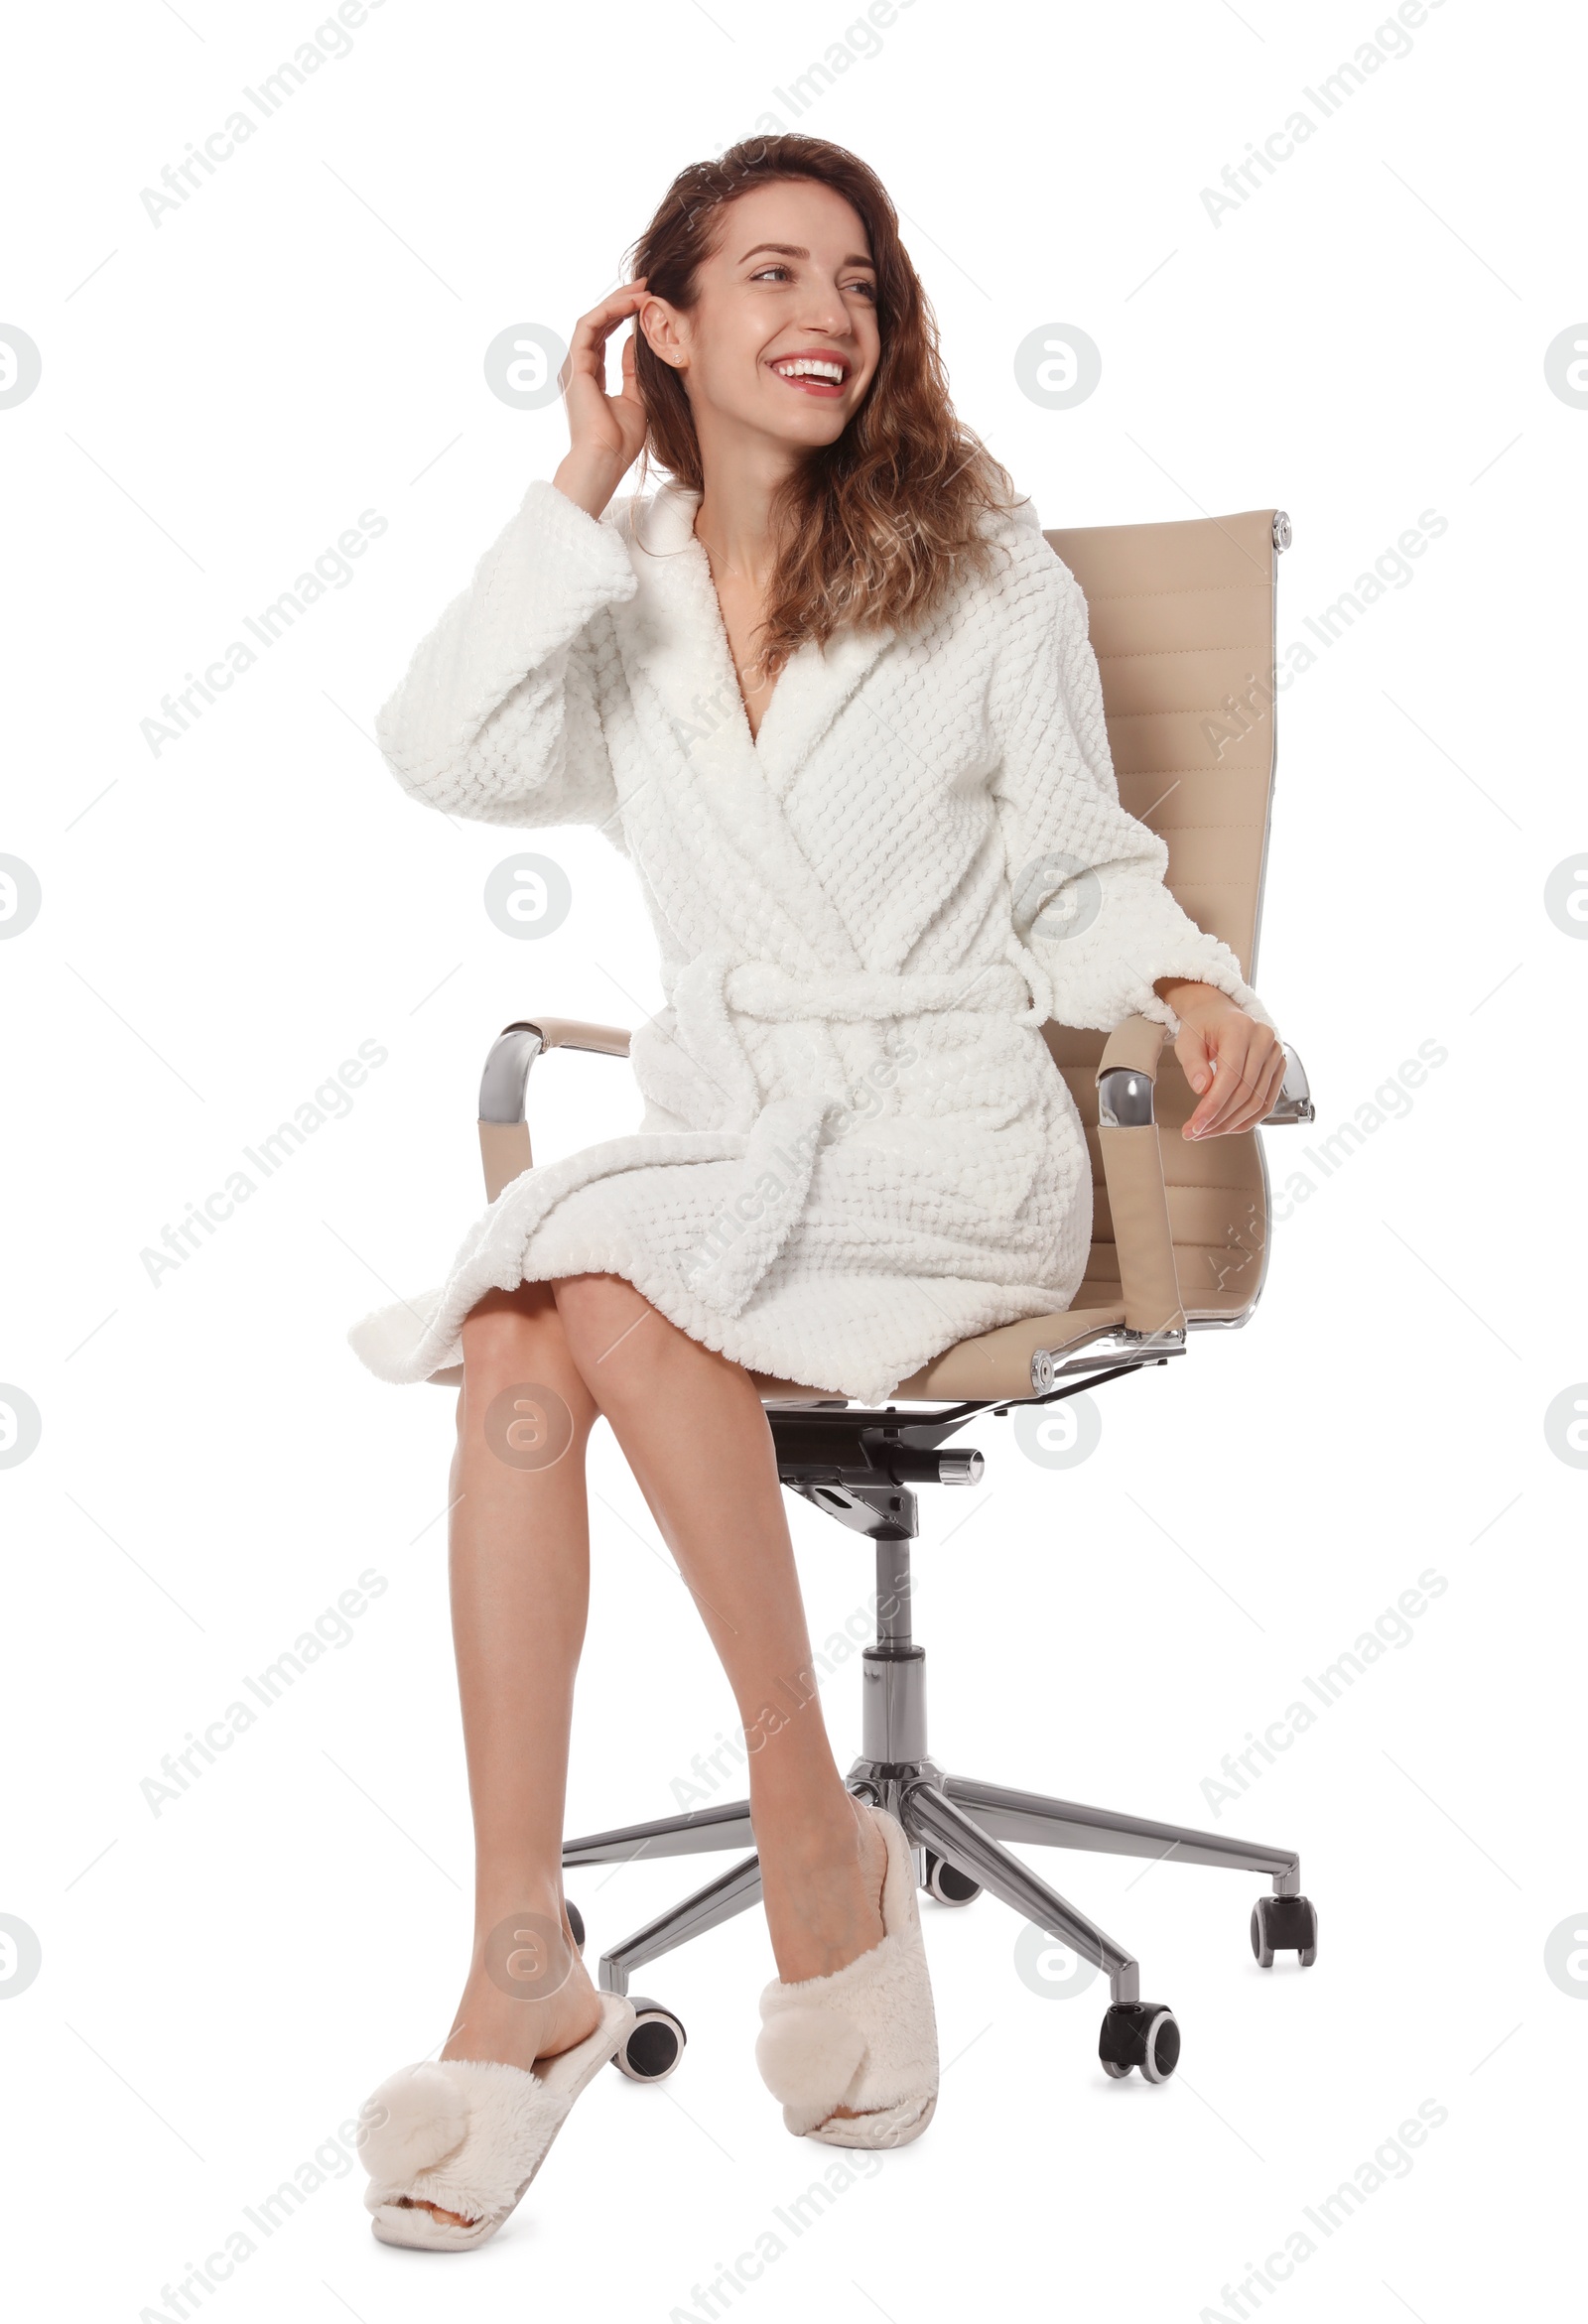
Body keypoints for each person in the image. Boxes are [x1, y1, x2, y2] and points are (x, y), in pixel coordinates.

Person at [348, 134, 1285, 2249]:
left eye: (855, 278)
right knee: (537, 1306)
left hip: (947, 1135)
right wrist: (581, 483)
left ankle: (797, 1844)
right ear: (657, 328)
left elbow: (1072, 865)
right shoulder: (634, 592)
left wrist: (1180, 984)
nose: (827, 315)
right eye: (767, 274)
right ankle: (535, 1965)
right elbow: (435, 748)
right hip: (735, 1133)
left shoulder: (977, 569)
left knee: (586, 1287)